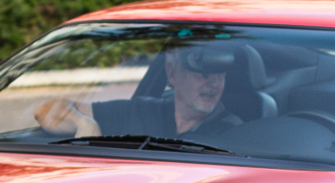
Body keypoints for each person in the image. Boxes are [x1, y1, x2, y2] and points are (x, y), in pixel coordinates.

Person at [32, 45, 247, 143]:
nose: (214, 83)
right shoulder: (141, 110)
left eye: (221, 75)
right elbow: (46, 111)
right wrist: (85, 124)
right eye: (204, 73)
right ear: (172, 74)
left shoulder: (231, 132)